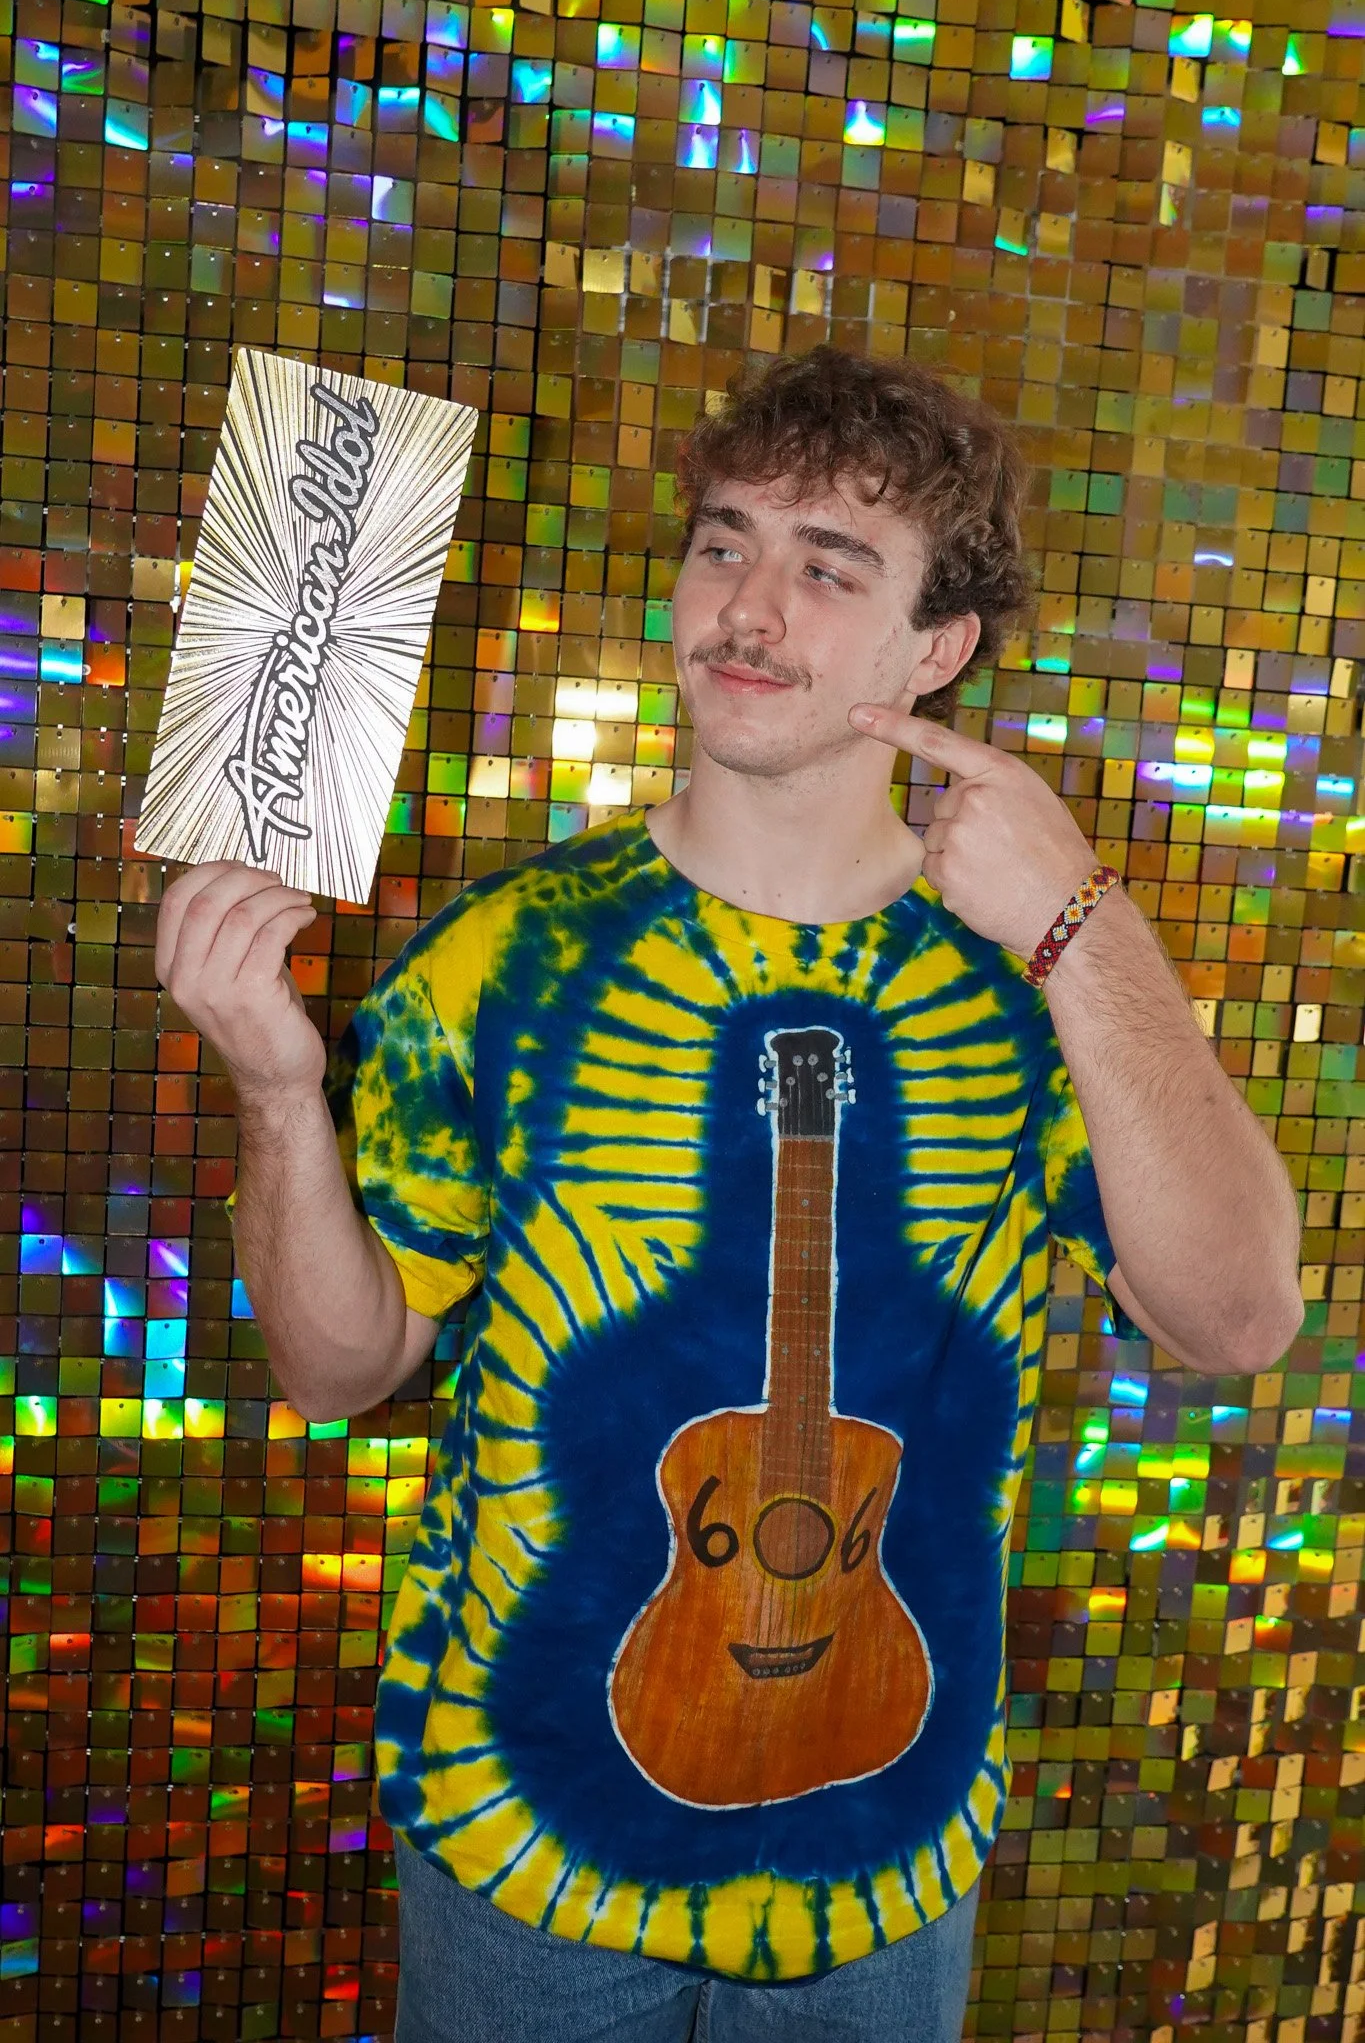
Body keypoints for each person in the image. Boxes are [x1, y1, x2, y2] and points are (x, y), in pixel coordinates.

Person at [156, 345, 1304, 2043]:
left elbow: (1237, 1315)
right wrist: (274, 1086)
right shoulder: (502, 959)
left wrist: (1085, 930)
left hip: (882, 1868)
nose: (749, 606)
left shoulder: (1032, 985)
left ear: (939, 650)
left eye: (830, 568)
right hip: (524, 1849)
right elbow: (341, 1366)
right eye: (725, 542)